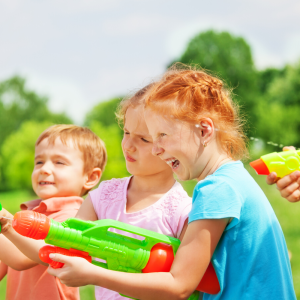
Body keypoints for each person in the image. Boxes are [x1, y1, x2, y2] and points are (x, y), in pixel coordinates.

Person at [48, 65, 296, 300]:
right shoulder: (234, 179)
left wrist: (92, 274)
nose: (156, 150)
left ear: (204, 130)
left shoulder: (216, 190)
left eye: (162, 136)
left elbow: (178, 285)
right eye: (152, 139)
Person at [72, 84, 194, 300]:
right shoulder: (105, 195)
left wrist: (95, 274)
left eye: (143, 139)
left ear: (177, 145)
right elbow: (68, 242)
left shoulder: (182, 211)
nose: (128, 145)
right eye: (126, 132)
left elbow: (184, 287)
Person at [0, 124, 106, 300]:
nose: (44, 169)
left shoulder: (74, 218)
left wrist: (5, 223)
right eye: (39, 161)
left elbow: (21, 258)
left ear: (90, 177)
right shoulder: (30, 213)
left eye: (59, 162)